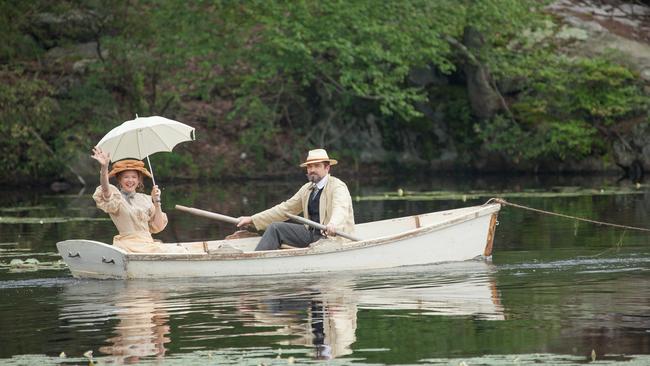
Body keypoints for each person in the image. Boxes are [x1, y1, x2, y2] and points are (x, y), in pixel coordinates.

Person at [237, 148, 355, 251]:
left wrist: (333, 224)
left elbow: (341, 208)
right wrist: (252, 219)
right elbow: (285, 209)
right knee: (276, 228)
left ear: (327, 168)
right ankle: (258, 259)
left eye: (317, 166)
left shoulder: (337, 186)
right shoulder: (307, 189)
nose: (312, 169)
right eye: (309, 166)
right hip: (311, 235)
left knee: (277, 228)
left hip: (332, 238)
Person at [91, 146, 187, 253]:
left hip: (148, 244)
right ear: (119, 179)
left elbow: (158, 226)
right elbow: (105, 189)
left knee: (181, 250)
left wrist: (157, 203)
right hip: (127, 245)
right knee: (177, 251)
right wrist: (104, 167)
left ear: (138, 180)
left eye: (134, 177)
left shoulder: (145, 199)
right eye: (126, 177)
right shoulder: (115, 197)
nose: (130, 180)